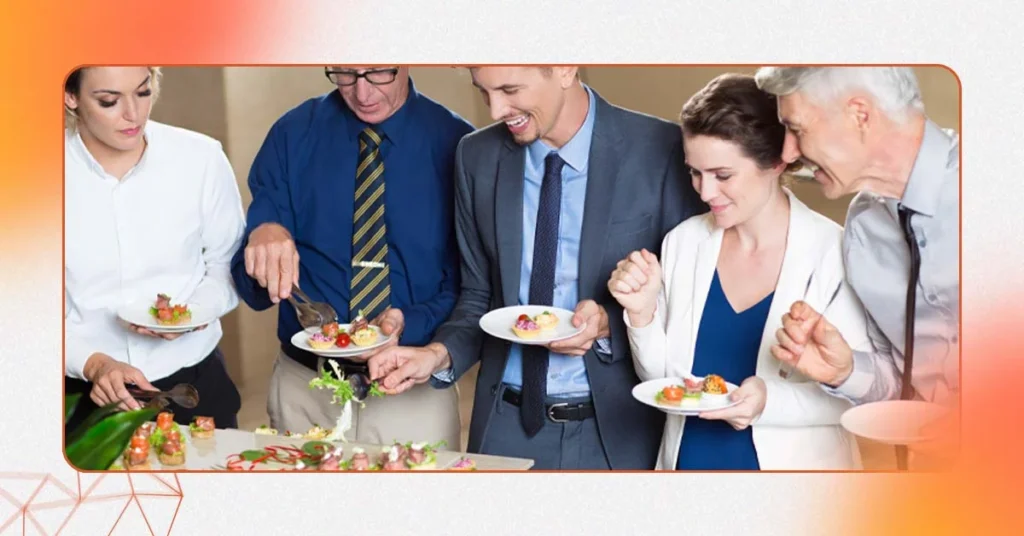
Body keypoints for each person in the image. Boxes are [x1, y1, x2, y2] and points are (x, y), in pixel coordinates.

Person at [367, 66, 707, 470]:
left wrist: (609, 324)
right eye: (484, 91)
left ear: (565, 68)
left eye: (510, 89)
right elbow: (478, 295)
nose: (495, 110)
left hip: (618, 432)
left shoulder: (662, 148)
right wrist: (437, 355)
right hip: (503, 426)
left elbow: (690, 300)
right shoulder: (476, 156)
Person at [608, 73, 869, 470]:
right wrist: (642, 316)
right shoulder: (683, 242)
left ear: (778, 160)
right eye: (695, 172)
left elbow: (858, 394)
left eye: (723, 175)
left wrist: (768, 402)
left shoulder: (835, 252)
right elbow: (666, 383)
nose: (704, 192)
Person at [230, 66, 474, 447]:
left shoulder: (460, 144)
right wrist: (260, 244)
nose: (362, 92)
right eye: (344, 73)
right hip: (304, 392)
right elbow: (252, 290)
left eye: (378, 73)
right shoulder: (290, 135)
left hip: (413, 391)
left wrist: (409, 322)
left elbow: (472, 287)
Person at [756, 66, 960, 468]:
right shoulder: (863, 230)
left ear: (860, 115)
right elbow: (903, 390)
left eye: (796, 129)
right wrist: (845, 371)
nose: (787, 153)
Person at [64, 66, 245, 434]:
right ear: (71, 98)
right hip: (79, 394)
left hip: (195, 384)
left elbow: (227, 263)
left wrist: (193, 313)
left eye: (143, 92)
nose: (134, 113)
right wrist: (93, 363)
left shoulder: (201, 158)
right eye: (109, 101)